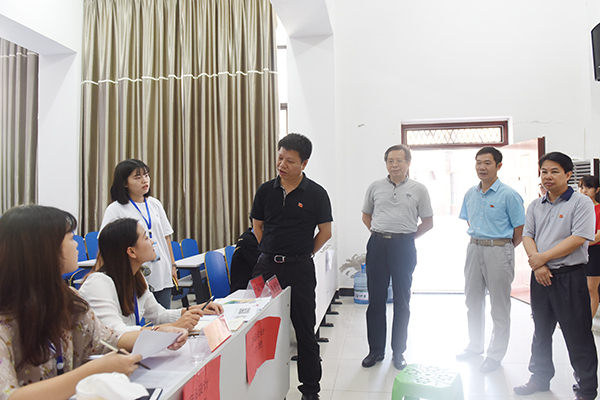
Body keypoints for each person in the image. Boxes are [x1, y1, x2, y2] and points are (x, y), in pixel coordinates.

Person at [0, 205, 187, 400]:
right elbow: (8, 396)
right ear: (44, 249)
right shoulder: (5, 320)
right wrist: (94, 370)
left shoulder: (67, 299)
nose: (77, 245)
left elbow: (108, 339)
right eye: (71, 238)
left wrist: (160, 334)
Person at [251, 133, 332, 400]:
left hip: (300, 270)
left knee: (305, 331)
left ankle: (310, 389)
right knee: (259, 328)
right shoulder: (265, 190)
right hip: (266, 268)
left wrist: (303, 253)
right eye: (279, 158)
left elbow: (325, 232)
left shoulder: (317, 193)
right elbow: (258, 227)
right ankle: (264, 388)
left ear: (304, 163)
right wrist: (270, 252)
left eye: (290, 161)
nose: (282, 165)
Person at [514, 152, 597, 399]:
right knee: (541, 331)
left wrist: (543, 258)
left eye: (554, 171)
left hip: (569, 276)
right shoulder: (535, 205)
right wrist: (538, 264)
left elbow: (579, 238)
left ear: (568, 174)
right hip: (541, 277)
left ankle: (586, 389)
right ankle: (539, 378)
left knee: (577, 334)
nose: (548, 176)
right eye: (544, 171)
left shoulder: (581, 203)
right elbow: (528, 236)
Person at [80, 218, 223, 335]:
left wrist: (193, 310)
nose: (152, 242)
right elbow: (114, 333)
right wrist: (171, 327)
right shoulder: (98, 283)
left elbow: (159, 315)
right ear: (131, 252)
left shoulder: (137, 277)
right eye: (146, 238)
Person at [361, 144, 433, 370]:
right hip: (377, 245)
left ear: (408, 163)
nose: (394, 165)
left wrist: (407, 237)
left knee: (402, 300)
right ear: (386, 164)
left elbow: (428, 222)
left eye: (399, 160)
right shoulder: (375, 187)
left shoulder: (419, 189)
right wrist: (380, 233)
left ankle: (399, 352)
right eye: (390, 160)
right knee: (376, 300)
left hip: (404, 246)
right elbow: (366, 215)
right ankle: (375, 351)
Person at [456, 147, 526, 373]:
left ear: (498, 166)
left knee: (499, 305)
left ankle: (495, 354)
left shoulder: (509, 195)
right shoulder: (470, 193)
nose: (482, 167)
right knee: (472, 301)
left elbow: (519, 230)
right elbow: (470, 221)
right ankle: (475, 346)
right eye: (478, 162)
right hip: (474, 248)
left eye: (487, 163)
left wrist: (502, 247)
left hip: (499, 250)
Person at [101, 159, 177, 309]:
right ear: (124, 183)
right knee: (137, 315)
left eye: (146, 175)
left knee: (163, 315)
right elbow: (105, 243)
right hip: (133, 272)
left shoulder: (155, 204)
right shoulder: (115, 208)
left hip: (161, 270)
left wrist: (172, 265)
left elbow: (166, 237)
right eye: (137, 177)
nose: (144, 180)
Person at [578, 175, 600, 316]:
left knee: (591, 289)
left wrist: (579, 242)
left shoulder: (599, 209)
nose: (584, 191)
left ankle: (588, 321)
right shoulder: (577, 209)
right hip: (577, 251)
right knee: (579, 289)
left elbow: (598, 235)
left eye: (588, 187)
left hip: (594, 251)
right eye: (581, 187)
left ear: (597, 190)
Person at [229, 217, 260, 292]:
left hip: (254, 286)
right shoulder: (248, 241)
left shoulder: (255, 238)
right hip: (243, 290)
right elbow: (261, 266)